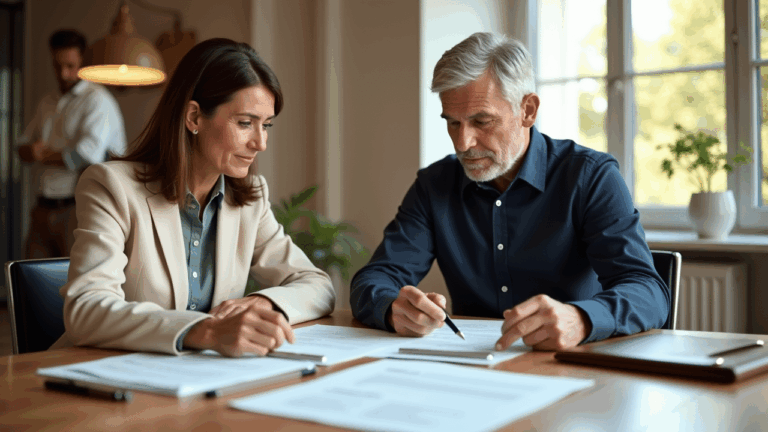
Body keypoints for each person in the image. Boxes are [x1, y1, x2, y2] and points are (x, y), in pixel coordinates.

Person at [350, 32, 669, 351]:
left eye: (482, 121)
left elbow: (649, 293)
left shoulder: (591, 177)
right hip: (469, 364)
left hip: (569, 362)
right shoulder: (434, 184)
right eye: (453, 123)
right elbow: (373, 280)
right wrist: (393, 309)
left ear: (528, 110)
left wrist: (582, 319)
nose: (463, 143)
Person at [51, 38, 336, 357]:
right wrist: (205, 331)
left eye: (266, 125)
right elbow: (86, 310)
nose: (260, 143)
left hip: (200, 376)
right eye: (245, 123)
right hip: (104, 373)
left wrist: (263, 302)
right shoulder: (111, 186)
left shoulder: (250, 199)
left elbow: (318, 285)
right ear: (194, 117)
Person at [16, 29, 127, 259]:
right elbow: (22, 147)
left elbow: (85, 156)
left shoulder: (97, 100)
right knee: (31, 276)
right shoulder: (47, 102)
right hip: (42, 208)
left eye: (70, 66)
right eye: (57, 66)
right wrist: (31, 151)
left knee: (74, 277)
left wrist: (40, 154)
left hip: (78, 209)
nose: (63, 74)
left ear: (82, 62)